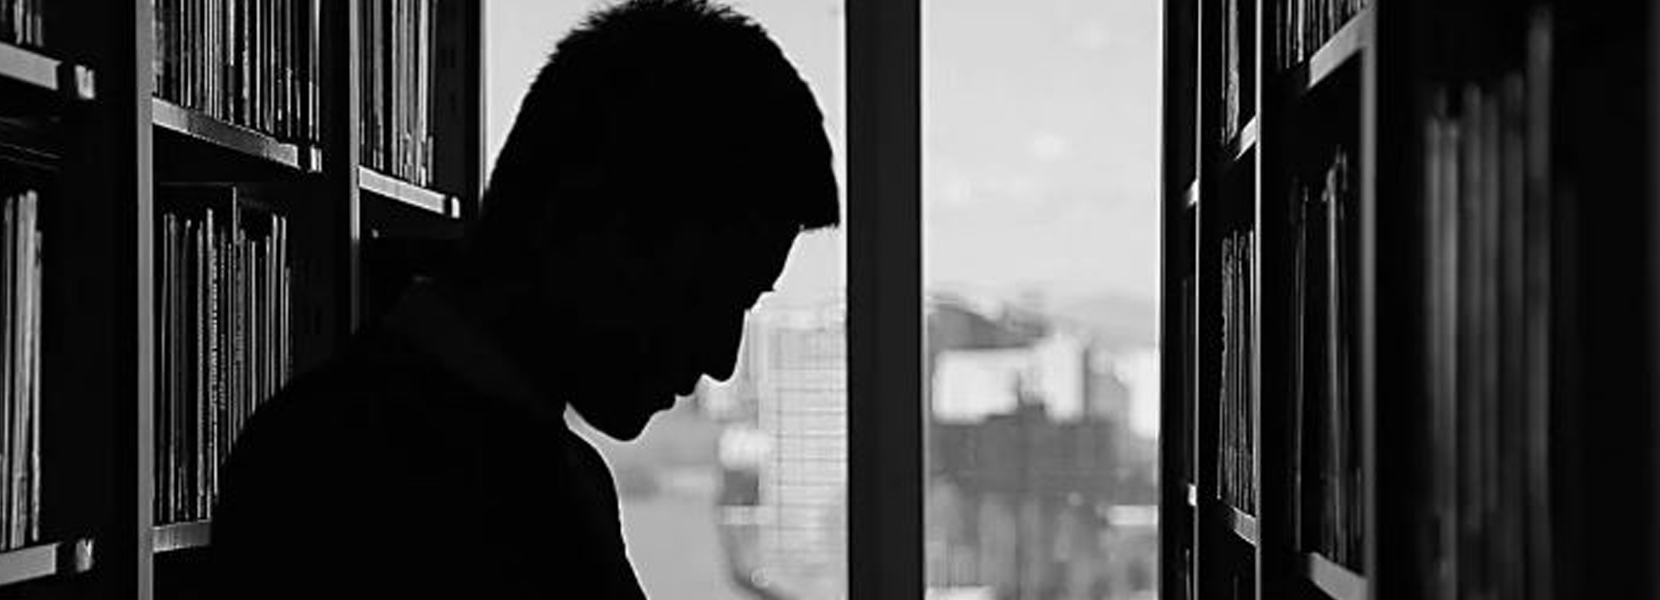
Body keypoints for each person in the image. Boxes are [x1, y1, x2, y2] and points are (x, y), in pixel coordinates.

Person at [209, 0, 839, 597]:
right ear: (586, 220)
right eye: (708, 296)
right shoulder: (383, 476)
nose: (721, 358)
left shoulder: (319, 448)